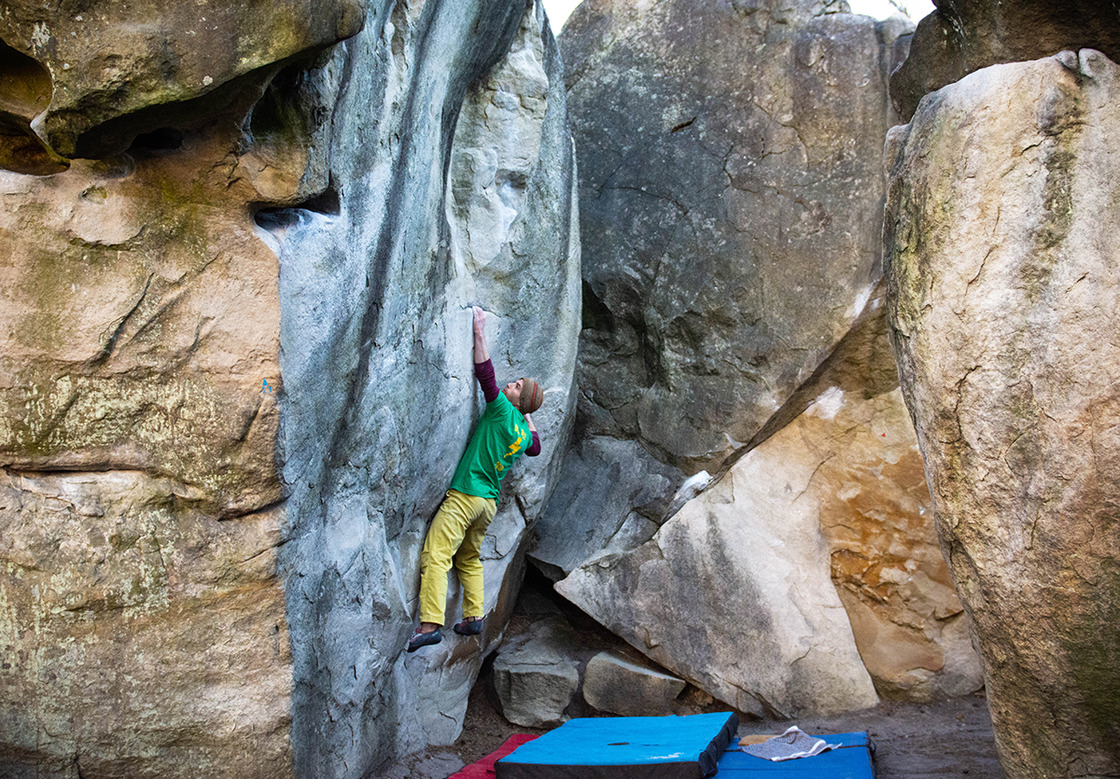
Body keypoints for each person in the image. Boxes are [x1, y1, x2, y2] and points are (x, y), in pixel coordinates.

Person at [408, 306, 543, 652]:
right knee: (468, 558)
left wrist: (479, 331)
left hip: (466, 496)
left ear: (517, 399)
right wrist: (528, 420)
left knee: (436, 553)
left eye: (516, 386)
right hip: (487, 505)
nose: (510, 384)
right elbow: (537, 449)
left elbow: (485, 372)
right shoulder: (523, 436)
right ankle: (473, 617)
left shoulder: (500, 411)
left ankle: (429, 624)